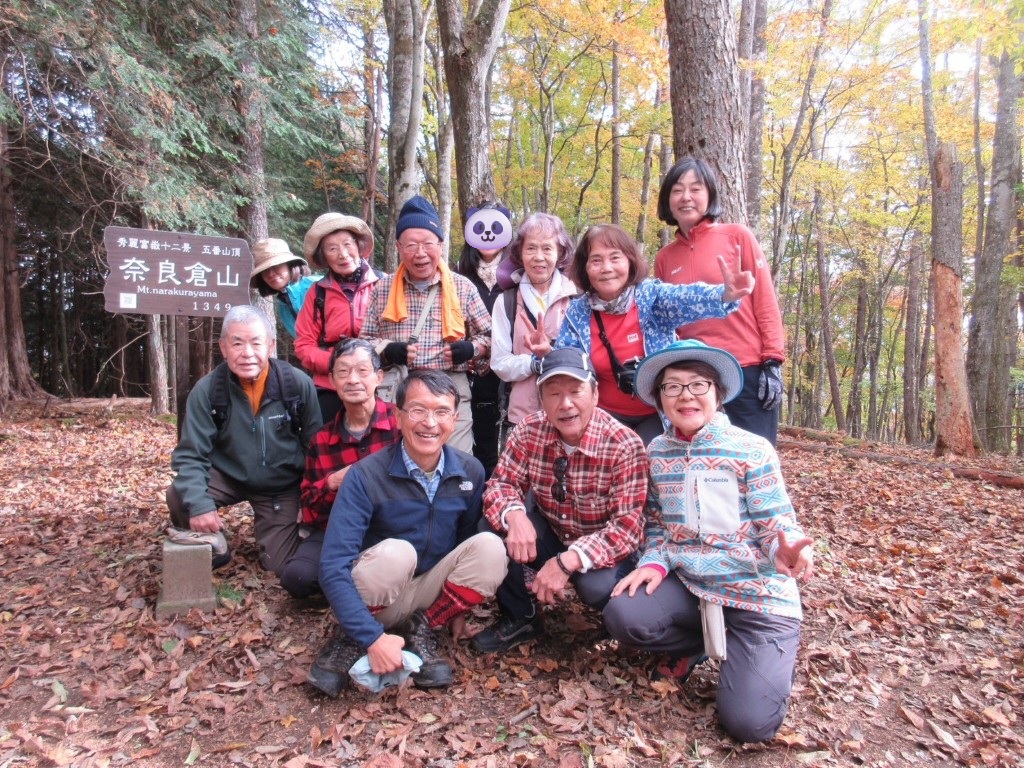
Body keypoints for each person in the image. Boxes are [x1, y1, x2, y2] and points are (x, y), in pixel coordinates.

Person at [603, 339, 814, 743]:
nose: (686, 396)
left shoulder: (751, 449)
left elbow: (776, 521)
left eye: (698, 385)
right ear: (660, 397)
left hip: (756, 593)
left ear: (717, 394)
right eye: (673, 387)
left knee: (750, 725)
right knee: (624, 616)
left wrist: (782, 551)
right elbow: (657, 524)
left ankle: (756, 652)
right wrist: (653, 562)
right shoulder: (658, 452)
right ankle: (697, 642)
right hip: (693, 585)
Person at [309, 370, 508, 697]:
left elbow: (464, 542)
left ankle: (424, 627)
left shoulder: (470, 471)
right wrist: (372, 639)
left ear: (455, 419)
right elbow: (332, 566)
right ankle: (353, 635)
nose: (430, 422)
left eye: (441, 412)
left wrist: (459, 611)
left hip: (426, 591)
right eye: (417, 410)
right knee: (397, 554)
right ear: (398, 416)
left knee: (490, 547)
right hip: (377, 591)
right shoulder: (365, 476)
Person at [472, 348, 647, 653]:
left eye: (575, 391)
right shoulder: (529, 430)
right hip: (554, 531)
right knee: (490, 528)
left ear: (594, 394)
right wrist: (515, 515)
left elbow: (627, 529)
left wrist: (567, 562)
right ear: (541, 400)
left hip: (603, 547)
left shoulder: (624, 444)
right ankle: (520, 617)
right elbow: (500, 485)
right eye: (553, 394)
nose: (565, 404)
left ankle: (614, 621)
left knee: (596, 587)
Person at [555, 223, 754, 445]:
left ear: (630, 261)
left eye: (615, 258)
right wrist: (548, 355)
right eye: (596, 260)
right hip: (604, 412)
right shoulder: (578, 311)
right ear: (585, 268)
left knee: (647, 453)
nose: (606, 268)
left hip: (657, 411)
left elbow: (688, 298)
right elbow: (566, 359)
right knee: (609, 462)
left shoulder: (651, 297)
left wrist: (724, 294)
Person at [166, 305, 323, 575]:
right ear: (224, 347)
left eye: (255, 343)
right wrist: (200, 506)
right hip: (229, 476)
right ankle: (211, 541)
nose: (247, 353)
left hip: (281, 484)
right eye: (237, 343)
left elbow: (316, 448)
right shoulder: (208, 390)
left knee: (280, 565)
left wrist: (310, 497)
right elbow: (191, 455)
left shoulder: (296, 384)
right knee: (181, 494)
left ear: (271, 345)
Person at [654, 157, 785, 445]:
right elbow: (665, 322)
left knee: (754, 458)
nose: (686, 197)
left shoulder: (737, 236)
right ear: (668, 199)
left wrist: (773, 361)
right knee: (703, 461)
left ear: (709, 194)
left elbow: (765, 298)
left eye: (695, 188)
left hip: (747, 367)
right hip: (695, 375)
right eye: (677, 190)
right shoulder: (665, 257)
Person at [360, 195, 492, 454]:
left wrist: (471, 349)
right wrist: (388, 350)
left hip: (450, 388)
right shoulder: (382, 289)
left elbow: (490, 337)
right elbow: (363, 342)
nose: (420, 253)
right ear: (398, 247)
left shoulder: (463, 287)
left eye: (427, 243)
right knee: (396, 465)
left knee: (456, 463)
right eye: (411, 245)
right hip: (398, 390)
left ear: (440, 245)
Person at [278, 339, 401, 599]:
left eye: (362, 371)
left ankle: (350, 583)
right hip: (341, 531)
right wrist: (332, 483)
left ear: (379, 377)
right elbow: (310, 511)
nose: (353, 379)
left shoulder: (400, 424)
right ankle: (351, 580)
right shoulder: (322, 440)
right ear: (332, 381)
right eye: (343, 372)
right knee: (297, 577)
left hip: (395, 530)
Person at [489, 212, 578, 433]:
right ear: (520, 253)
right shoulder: (507, 301)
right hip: (523, 416)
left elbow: (587, 358)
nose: (539, 256)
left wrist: (552, 356)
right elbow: (499, 362)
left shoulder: (576, 298)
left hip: (571, 412)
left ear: (560, 253)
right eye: (531, 248)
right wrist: (533, 363)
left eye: (547, 248)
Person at [294, 213, 381, 424]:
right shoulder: (317, 293)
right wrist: (338, 364)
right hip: (329, 384)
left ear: (358, 246)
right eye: (332, 248)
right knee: (327, 443)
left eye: (347, 244)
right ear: (324, 256)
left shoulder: (383, 284)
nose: (343, 254)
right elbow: (304, 344)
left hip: (378, 385)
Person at [455, 201, 510, 476]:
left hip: (512, 365)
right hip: (470, 366)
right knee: (477, 437)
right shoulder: (458, 274)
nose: (488, 235)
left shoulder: (518, 274)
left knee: (507, 439)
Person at [249, 238, 319, 339]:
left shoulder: (318, 286)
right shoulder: (283, 306)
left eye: (276, 265)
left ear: (290, 265)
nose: (271, 274)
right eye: (265, 271)